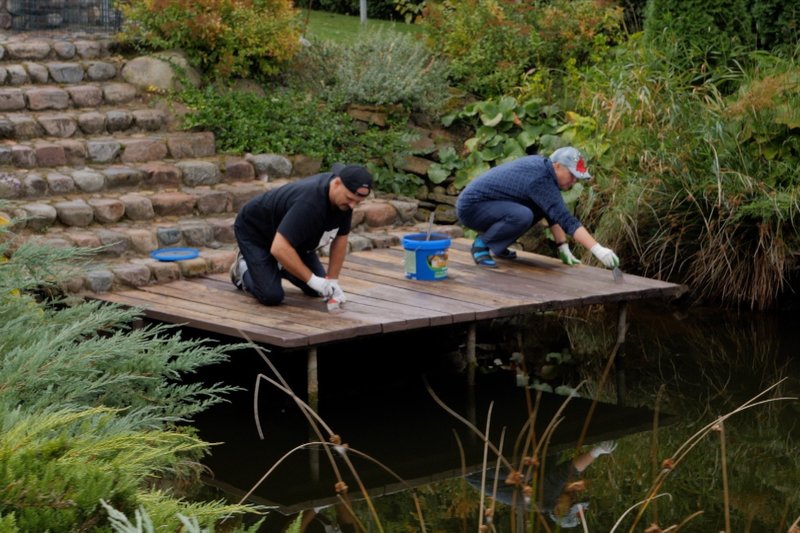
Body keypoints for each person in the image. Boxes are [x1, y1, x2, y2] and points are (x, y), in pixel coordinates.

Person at [230, 163, 373, 306]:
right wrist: (313, 280)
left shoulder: (344, 201)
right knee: (271, 295)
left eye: (358, 202)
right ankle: (243, 268)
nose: (353, 205)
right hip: (256, 232)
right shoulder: (310, 203)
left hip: (291, 239)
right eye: (350, 198)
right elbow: (278, 248)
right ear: (336, 183)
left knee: (319, 290)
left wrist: (332, 281)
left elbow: (341, 238)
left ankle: (281, 263)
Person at [456, 146, 619, 270]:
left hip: (489, 205)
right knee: (522, 215)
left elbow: (552, 213)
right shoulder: (541, 179)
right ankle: (481, 245)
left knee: (535, 209)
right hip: (472, 207)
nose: (574, 181)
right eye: (572, 175)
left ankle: (496, 245)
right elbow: (566, 219)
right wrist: (598, 250)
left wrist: (563, 247)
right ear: (557, 166)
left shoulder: (544, 170)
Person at [465, 440, 618, 529]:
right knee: (551, 454)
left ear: (558, 510)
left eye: (572, 502)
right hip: (500, 470)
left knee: (529, 470)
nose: (574, 496)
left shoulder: (544, 500)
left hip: (478, 471)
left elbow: (563, 472)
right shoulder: (552, 498)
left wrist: (596, 452)